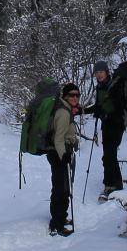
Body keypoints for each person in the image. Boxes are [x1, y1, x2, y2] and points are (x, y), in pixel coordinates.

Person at [46, 83, 80, 236]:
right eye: (71, 95)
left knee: (64, 187)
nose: (75, 97)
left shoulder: (67, 109)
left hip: (60, 153)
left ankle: (61, 217)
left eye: (77, 95)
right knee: (60, 188)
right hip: (59, 154)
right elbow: (58, 138)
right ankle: (56, 224)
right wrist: (64, 155)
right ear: (65, 96)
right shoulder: (64, 113)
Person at [92, 64, 126, 199]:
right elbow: (98, 106)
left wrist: (106, 114)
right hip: (107, 125)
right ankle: (111, 184)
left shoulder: (114, 87)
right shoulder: (100, 87)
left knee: (109, 155)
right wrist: (81, 111)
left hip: (116, 125)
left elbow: (119, 108)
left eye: (101, 72)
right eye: (97, 72)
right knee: (108, 155)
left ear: (106, 72)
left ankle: (114, 185)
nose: (99, 74)